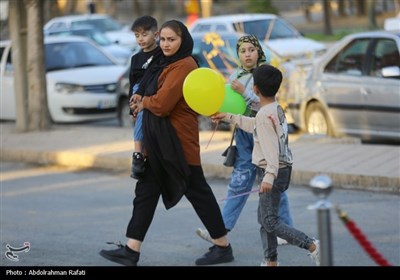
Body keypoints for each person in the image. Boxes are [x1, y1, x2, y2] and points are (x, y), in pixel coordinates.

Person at [99, 20, 234, 266]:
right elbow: (149, 90)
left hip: (178, 142)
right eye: (163, 39)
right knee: (146, 192)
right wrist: (140, 97)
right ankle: (132, 249)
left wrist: (145, 102)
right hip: (159, 142)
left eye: (172, 39)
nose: (166, 44)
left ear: (183, 40)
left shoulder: (184, 65)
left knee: (198, 192)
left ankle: (223, 246)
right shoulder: (163, 62)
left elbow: (162, 104)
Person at [211, 64, 320, 266]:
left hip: (272, 170)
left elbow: (271, 149)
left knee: (270, 220)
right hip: (282, 168)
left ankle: (312, 245)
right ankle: (270, 261)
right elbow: (252, 125)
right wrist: (227, 117)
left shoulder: (263, 115)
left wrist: (269, 176)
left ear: (255, 89)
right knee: (265, 219)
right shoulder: (274, 108)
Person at [196, 34, 293, 246]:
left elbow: (267, 105)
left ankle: (282, 230)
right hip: (243, 135)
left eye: (251, 50)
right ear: (238, 54)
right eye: (242, 51)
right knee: (243, 183)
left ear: (258, 52)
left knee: (270, 182)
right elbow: (231, 103)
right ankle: (221, 229)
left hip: (263, 134)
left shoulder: (266, 74)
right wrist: (221, 113)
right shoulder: (236, 74)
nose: (247, 54)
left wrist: (245, 92)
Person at [128, 16, 162, 179]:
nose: (140, 39)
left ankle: (137, 153)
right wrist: (131, 105)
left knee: (143, 115)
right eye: (137, 35)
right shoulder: (135, 58)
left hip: (151, 89)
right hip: (137, 91)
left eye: (144, 34)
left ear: (156, 35)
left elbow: (151, 75)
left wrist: (140, 95)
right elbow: (131, 81)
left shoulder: (160, 53)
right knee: (139, 117)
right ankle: (139, 154)